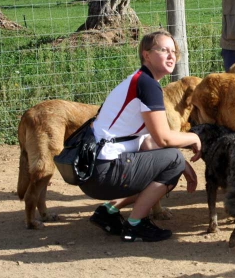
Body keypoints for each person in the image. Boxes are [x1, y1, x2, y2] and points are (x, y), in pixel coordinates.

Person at [80, 30, 202, 242]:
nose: (171, 56)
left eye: (174, 51)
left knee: (170, 161)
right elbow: (163, 139)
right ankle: (135, 225)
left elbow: (148, 142)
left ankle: (108, 212)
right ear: (147, 55)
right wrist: (194, 139)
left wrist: (185, 166)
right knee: (171, 162)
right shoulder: (147, 85)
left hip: (93, 170)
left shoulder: (138, 80)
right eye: (164, 50)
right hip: (102, 172)